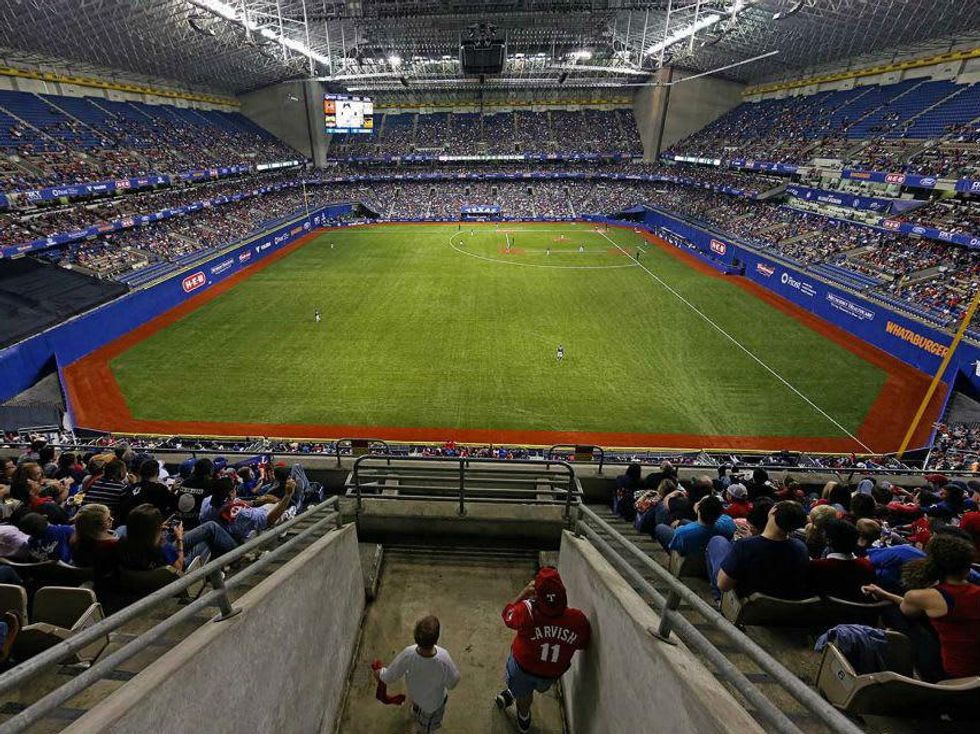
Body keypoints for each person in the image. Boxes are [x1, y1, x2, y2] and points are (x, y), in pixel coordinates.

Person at [862, 533, 980, 680]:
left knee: (893, 612)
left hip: (952, 673)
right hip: (974, 667)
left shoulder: (922, 596)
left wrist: (885, 595)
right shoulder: (970, 591)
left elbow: (907, 609)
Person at [495, 567, 590, 733]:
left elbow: (507, 615)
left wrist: (524, 594)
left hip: (523, 668)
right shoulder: (578, 620)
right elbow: (582, 644)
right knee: (532, 686)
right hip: (550, 674)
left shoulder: (526, 612)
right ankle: (514, 693)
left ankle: (523, 716)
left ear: (537, 596)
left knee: (524, 695)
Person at [373, 616, 460, 733]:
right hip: (433, 704)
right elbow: (453, 682)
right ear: (436, 639)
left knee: (416, 705)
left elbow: (390, 675)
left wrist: (380, 673)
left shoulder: (408, 654)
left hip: (415, 694)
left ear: (416, 637)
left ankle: (415, 712)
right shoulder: (444, 659)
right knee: (425, 727)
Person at [716, 501, 810, 600]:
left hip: (747, 608)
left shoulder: (745, 546)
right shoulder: (801, 547)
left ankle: (719, 601)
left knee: (717, 541)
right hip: (780, 608)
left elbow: (723, 585)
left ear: (773, 511)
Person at [807, 519, 875, 601]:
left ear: (828, 541)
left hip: (824, 610)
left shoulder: (816, 566)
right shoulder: (866, 565)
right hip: (857, 612)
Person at [655, 495, 735, 556]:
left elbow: (677, 540)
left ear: (699, 510)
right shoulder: (728, 522)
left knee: (660, 527)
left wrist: (680, 528)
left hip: (690, 549)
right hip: (707, 541)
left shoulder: (683, 532)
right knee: (683, 521)